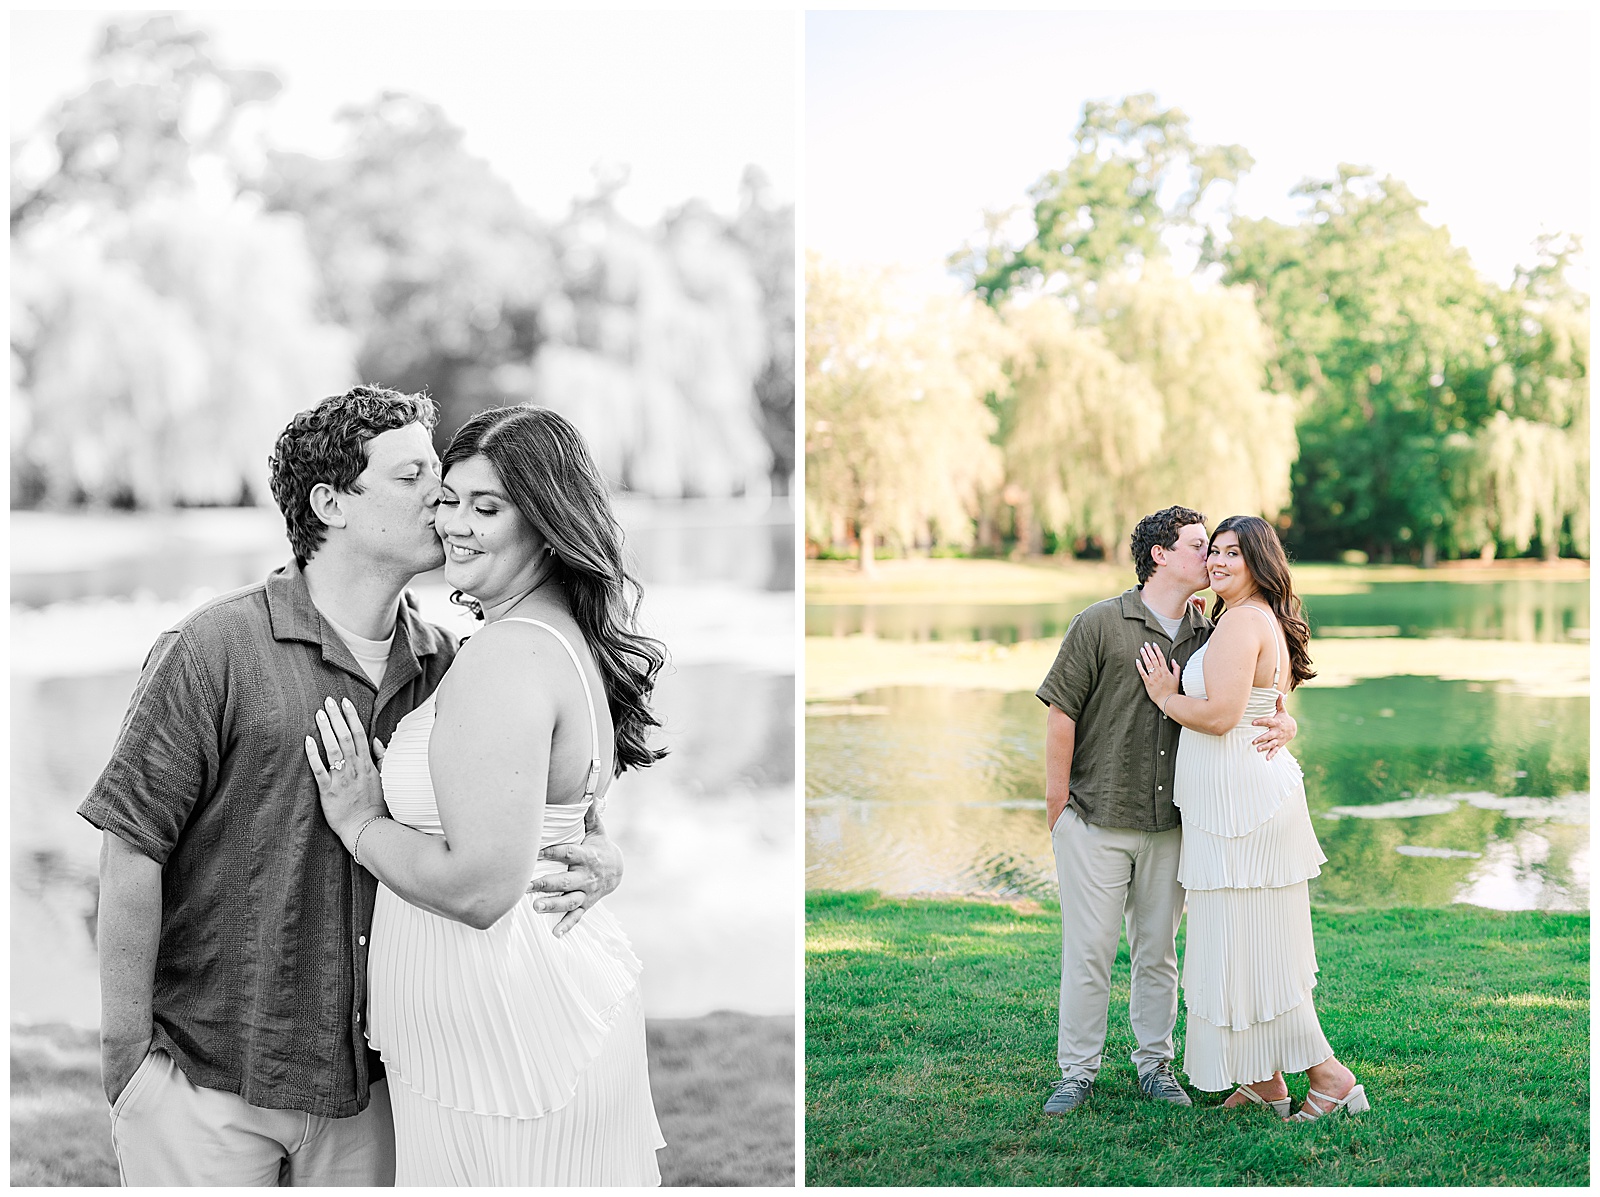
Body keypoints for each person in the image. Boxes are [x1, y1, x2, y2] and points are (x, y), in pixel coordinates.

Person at [79, 386, 621, 1186]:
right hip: (205, 1082)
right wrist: (127, 1060)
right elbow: (130, 848)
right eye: (412, 478)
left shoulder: (448, 661)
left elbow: (552, 805)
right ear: (330, 502)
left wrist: (606, 857)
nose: (440, 498)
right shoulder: (213, 647)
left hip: (374, 1090)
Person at [306, 403, 668, 1185]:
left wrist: (360, 820)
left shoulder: (508, 655)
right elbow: (566, 815)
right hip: (520, 1021)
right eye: (449, 499)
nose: (455, 525)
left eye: (487, 506)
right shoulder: (548, 635)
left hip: (508, 1045)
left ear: (544, 522)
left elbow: (478, 887)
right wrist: (606, 851)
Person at [1035, 505, 1298, 1115]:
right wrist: (1057, 810)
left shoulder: (1213, 629)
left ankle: (1154, 1065)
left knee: (1159, 954)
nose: (1210, 557)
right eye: (1199, 545)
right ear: (1160, 554)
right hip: (1094, 817)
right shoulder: (1100, 623)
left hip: (1173, 825)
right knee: (1090, 953)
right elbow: (1060, 714)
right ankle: (1077, 1072)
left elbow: (1263, 694)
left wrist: (1282, 720)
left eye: (1217, 548)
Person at [1135, 515, 1367, 1121]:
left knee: (1256, 949)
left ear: (1259, 561)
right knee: (1241, 945)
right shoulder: (1245, 618)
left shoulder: (1241, 620)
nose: (1217, 561)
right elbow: (1271, 708)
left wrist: (1163, 696)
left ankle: (1331, 1078)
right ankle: (1264, 1083)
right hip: (1235, 799)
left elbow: (1220, 716)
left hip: (1243, 808)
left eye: (1232, 554)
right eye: (1213, 551)